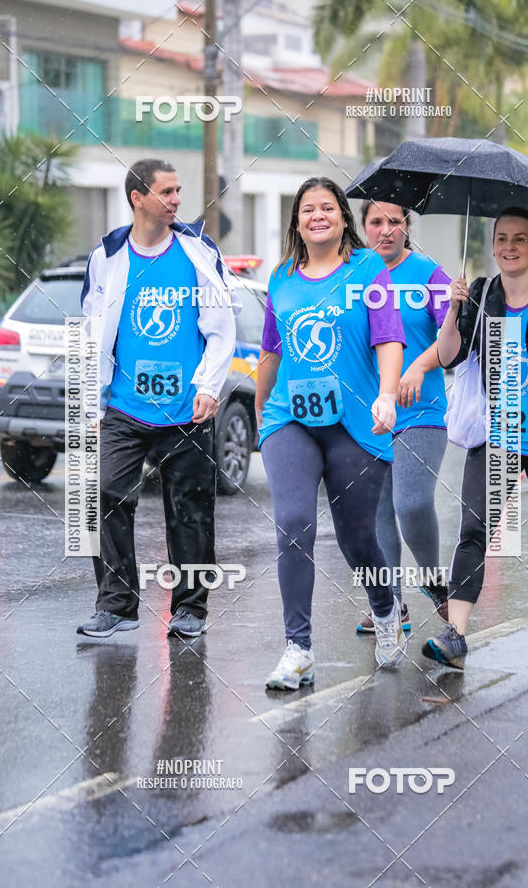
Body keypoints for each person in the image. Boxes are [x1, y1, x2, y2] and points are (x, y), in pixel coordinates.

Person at [256, 176, 407, 690]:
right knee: (294, 522)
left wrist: (387, 393)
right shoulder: (281, 279)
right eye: (307, 210)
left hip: (356, 422)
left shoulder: (367, 269)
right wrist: (260, 413)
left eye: (327, 207)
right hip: (290, 419)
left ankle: (386, 611)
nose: (317, 215)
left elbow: (388, 337)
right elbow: (272, 352)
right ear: (296, 222)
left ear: (343, 218)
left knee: (356, 538)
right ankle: (298, 649)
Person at [423, 207, 528, 669]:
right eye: (501, 239)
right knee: (474, 530)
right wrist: (454, 308)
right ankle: (455, 634)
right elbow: (449, 356)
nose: (509, 247)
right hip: (499, 435)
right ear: (492, 245)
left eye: (519, 239)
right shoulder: (482, 296)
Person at [77, 158, 236, 639]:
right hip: (123, 406)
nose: (176, 200)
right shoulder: (106, 256)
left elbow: (221, 325)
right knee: (104, 492)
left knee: (189, 508)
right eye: (166, 192)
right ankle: (117, 604)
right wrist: (88, 402)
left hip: (187, 408)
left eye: (179, 190)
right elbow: (90, 332)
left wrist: (208, 386)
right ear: (137, 197)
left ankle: (190, 609)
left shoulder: (197, 251)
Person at [355, 200, 451, 637]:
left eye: (395, 221)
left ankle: (433, 578)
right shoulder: (352, 274)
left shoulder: (430, 274)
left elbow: (455, 341)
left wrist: (420, 365)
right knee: (376, 516)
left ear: (407, 227)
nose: (386, 229)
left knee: (410, 503)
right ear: (364, 228)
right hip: (367, 412)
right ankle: (391, 605)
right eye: (376, 222)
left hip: (421, 409)